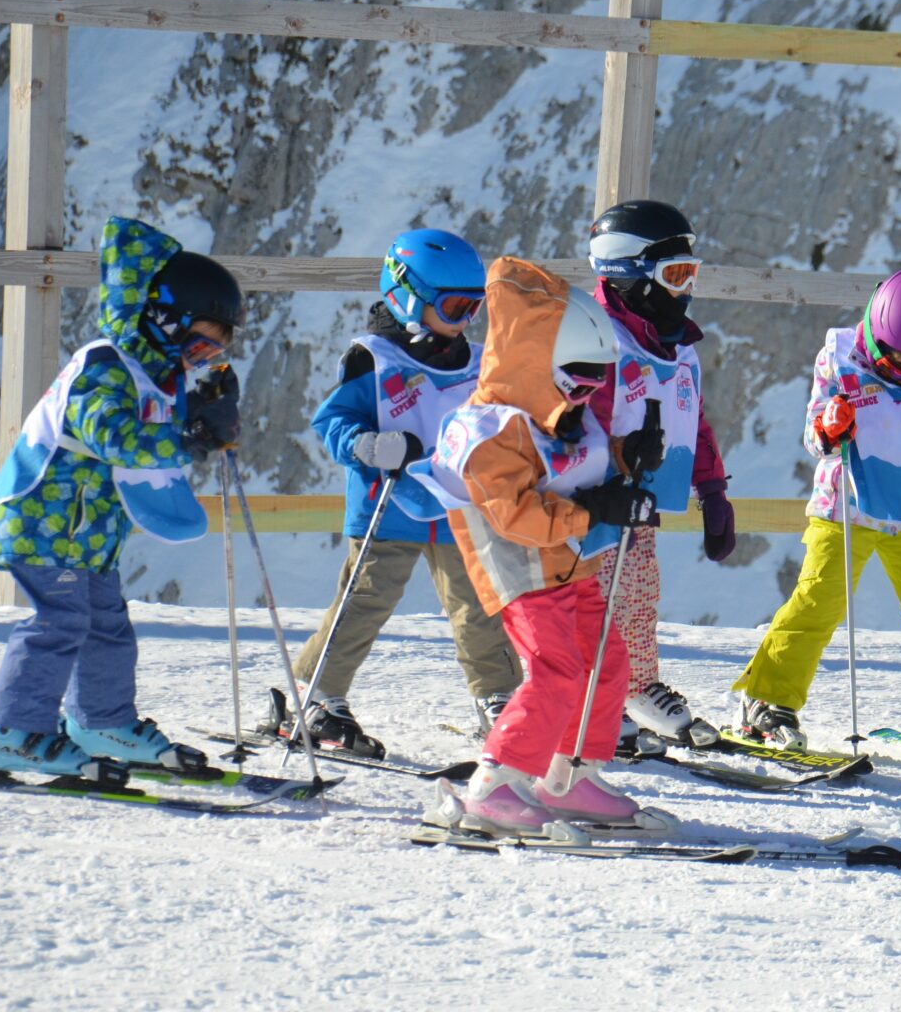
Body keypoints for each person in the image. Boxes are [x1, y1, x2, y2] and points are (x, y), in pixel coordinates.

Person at [0, 216, 241, 776]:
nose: (196, 360)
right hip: (46, 522)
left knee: (107, 627)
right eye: (196, 345)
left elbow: (154, 441)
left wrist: (203, 413)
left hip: (87, 532)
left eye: (209, 354)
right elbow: (116, 438)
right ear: (163, 319)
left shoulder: (152, 377)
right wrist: (187, 435)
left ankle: (102, 721)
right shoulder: (105, 366)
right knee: (58, 624)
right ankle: (13, 730)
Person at [411, 256, 664, 838]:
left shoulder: (561, 415)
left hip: (570, 563)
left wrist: (629, 454)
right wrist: (594, 511)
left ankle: (569, 773)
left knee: (607, 661)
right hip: (521, 569)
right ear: (534, 365)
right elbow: (517, 515)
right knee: (557, 670)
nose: (588, 392)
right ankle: (495, 783)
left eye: (599, 378)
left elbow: (573, 464)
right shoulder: (486, 432)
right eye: (578, 378)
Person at [729, 267, 901, 762]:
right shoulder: (840, 358)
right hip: (846, 508)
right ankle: (765, 701)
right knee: (817, 604)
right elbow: (815, 438)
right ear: (878, 337)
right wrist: (829, 426)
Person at [285, 228, 524, 757]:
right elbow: (335, 423)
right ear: (407, 294)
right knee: (366, 600)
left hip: (460, 506)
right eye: (455, 306)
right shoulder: (372, 358)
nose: (465, 319)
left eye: (474, 307)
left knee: (479, 606)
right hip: (387, 506)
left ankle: (500, 697)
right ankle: (318, 696)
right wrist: (370, 446)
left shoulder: (477, 359)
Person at [582, 201, 735, 751]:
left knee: (639, 598)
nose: (684, 289)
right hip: (592, 507)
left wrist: (712, 490)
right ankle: (591, 695)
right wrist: (600, 477)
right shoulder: (598, 342)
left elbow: (691, 421)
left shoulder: (676, 346)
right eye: (673, 274)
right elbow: (574, 420)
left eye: (690, 274)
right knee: (589, 603)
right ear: (627, 271)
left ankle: (636, 684)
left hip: (642, 505)